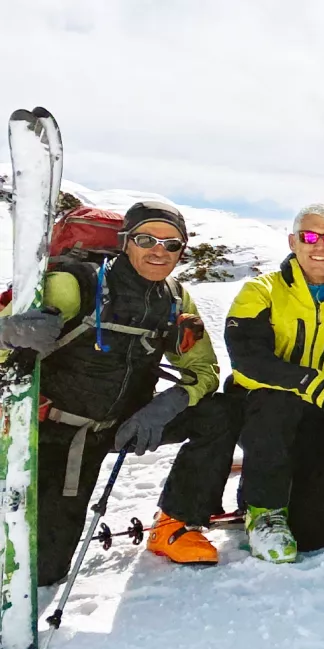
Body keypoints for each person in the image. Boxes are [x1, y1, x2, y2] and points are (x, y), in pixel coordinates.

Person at [0, 201, 238, 583]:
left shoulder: (175, 299)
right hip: (55, 433)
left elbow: (204, 370)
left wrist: (167, 404)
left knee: (222, 412)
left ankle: (175, 523)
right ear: (126, 241)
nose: (159, 251)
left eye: (172, 244)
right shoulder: (73, 283)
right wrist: (10, 338)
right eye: (147, 239)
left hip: (127, 423)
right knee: (41, 571)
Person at [224, 204, 324, 563]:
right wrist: (312, 384)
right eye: (309, 237)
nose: (319, 247)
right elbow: (247, 358)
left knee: (313, 533)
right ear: (293, 242)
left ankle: (278, 493)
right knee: (279, 403)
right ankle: (264, 512)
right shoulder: (261, 291)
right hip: (262, 412)